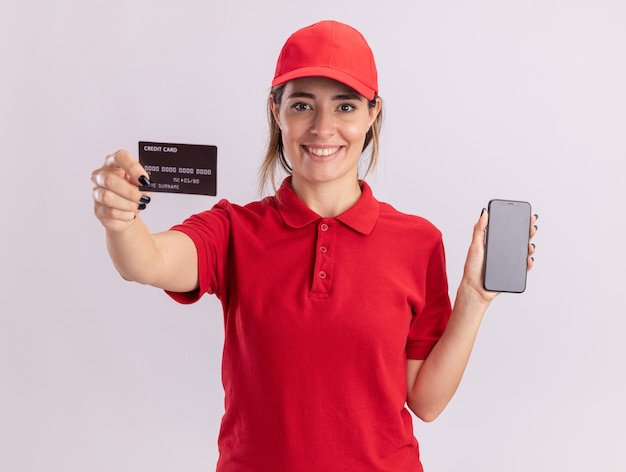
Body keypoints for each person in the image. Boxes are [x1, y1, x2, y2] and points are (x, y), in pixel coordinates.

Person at [91, 20, 537, 472]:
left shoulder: (418, 242)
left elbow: (425, 401)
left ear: (372, 113)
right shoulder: (233, 230)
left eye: (344, 107)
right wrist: (121, 220)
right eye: (303, 105)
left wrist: (474, 299)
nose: (323, 128)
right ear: (276, 110)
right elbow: (148, 262)